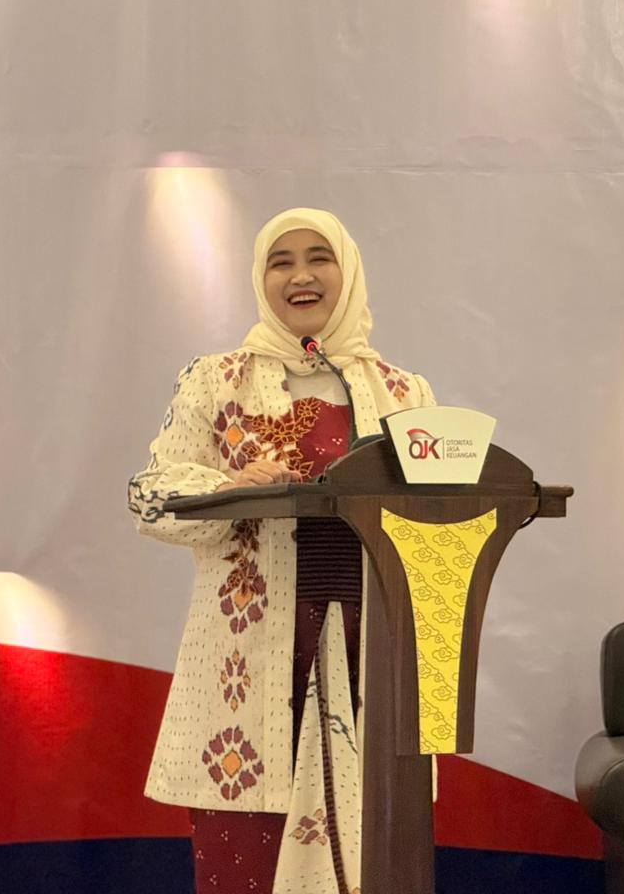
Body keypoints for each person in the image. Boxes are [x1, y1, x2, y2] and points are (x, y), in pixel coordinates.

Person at [128, 207, 435, 894]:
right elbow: (150, 494)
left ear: (348, 272)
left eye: (318, 257)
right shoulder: (217, 380)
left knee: (371, 862)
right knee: (246, 862)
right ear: (260, 278)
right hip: (250, 661)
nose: (301, 276)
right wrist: (228, 487)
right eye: (281, 261)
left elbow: (433, 521)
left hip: (369, 652)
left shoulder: (402, 392)